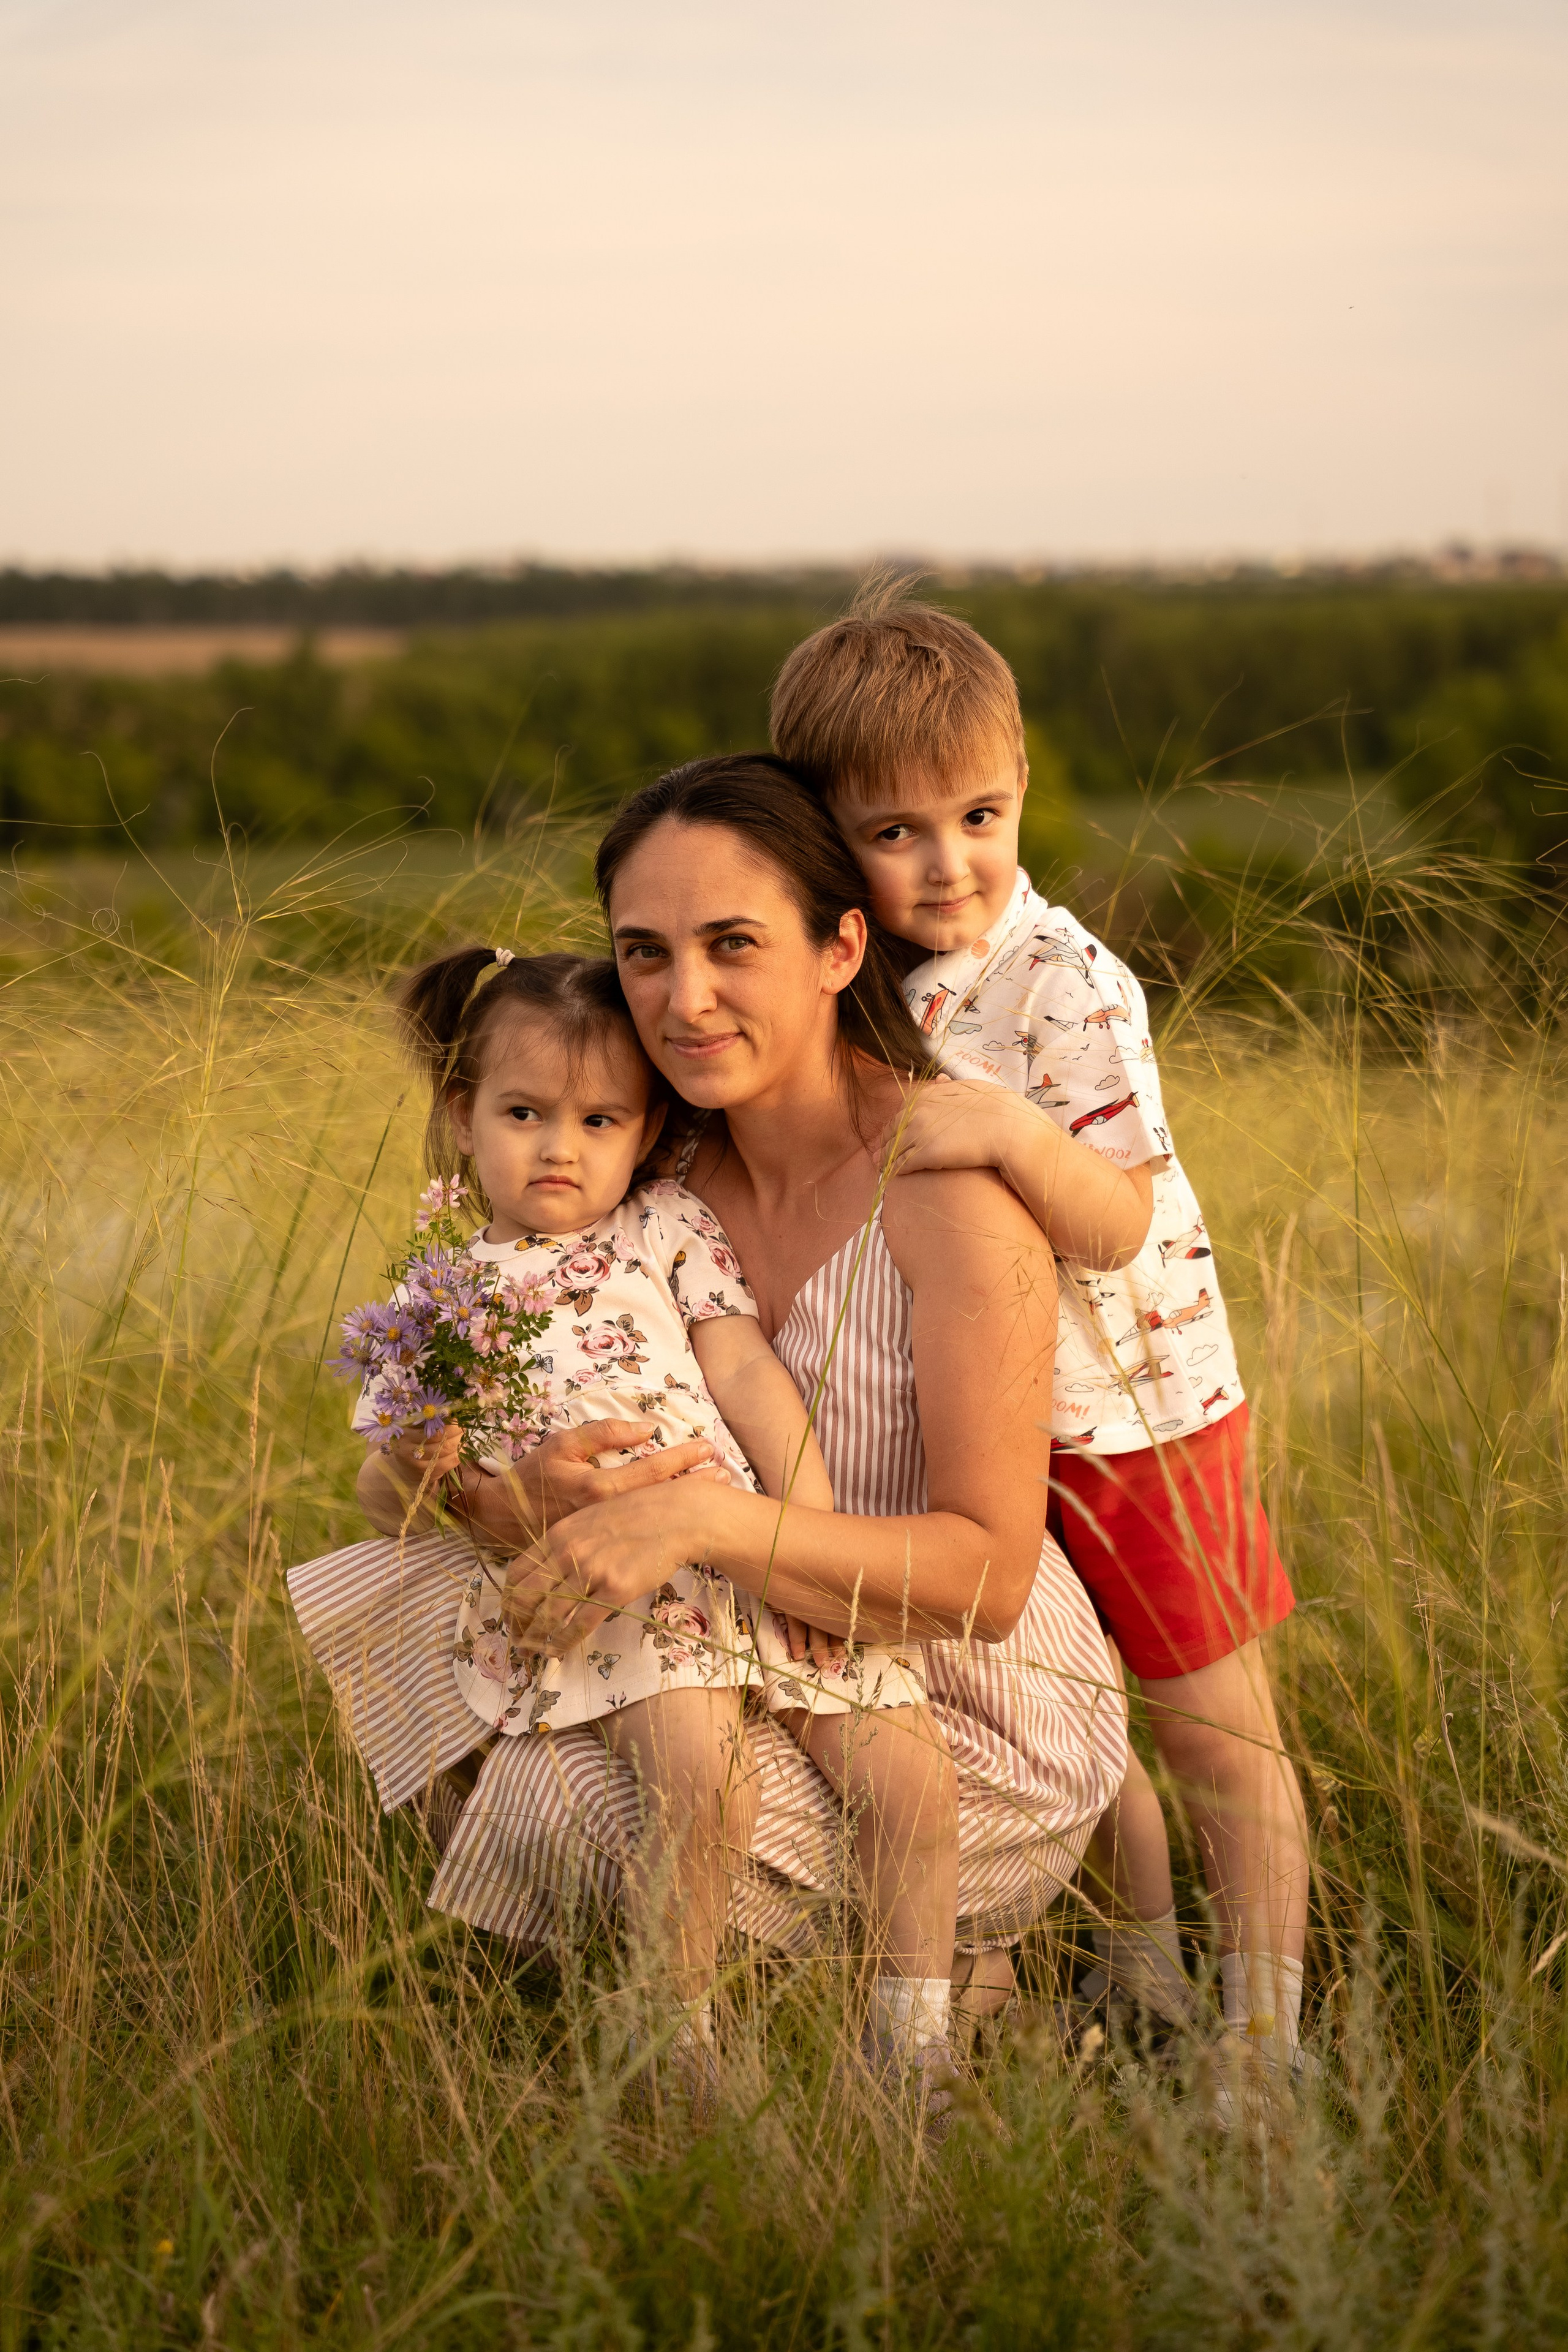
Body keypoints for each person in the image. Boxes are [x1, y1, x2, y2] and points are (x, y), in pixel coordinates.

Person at [475, 754, 1125, 2059]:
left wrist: (694, 1523)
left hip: (972, 1702)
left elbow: (987, 1582)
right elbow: (439, 1433)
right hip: (738, 1640)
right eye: (643, 953)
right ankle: (890, 1988)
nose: (683, 998)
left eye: (731, 945)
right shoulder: (640, 1161)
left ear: (840, 947)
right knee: (446, 1658)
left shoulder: (940, 1179)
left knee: (563, 1804)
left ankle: (908, 2018)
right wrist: (504, 1492)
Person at [769, 591, 1312, 2084]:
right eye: (895, 831)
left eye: (980, 813)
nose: (949, 861)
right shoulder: (853, 972)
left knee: (1210, 1730)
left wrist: (998, 1129)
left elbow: (1120, 1219)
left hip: (1135, 1412)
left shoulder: (1064, 982)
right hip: (975, 1424)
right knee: (1064, 1707)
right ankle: (1135, 1968)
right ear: (825, 837)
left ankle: (1263, 2041)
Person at [288, 947, 955, 2081]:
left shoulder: (666, 1228)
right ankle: (674, 2032)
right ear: (463, 1118)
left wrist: (808, 1534)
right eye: (525, 1112)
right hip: (610, 1589)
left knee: (909, 1770)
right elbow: (379, 1492)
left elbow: (748, 1378)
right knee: (704, 1781)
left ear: (646, 1134)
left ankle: (913, 2036)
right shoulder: (443, 1294)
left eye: (601, 1121)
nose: (561, 1146)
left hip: (738, 1547)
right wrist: (436, 1470)